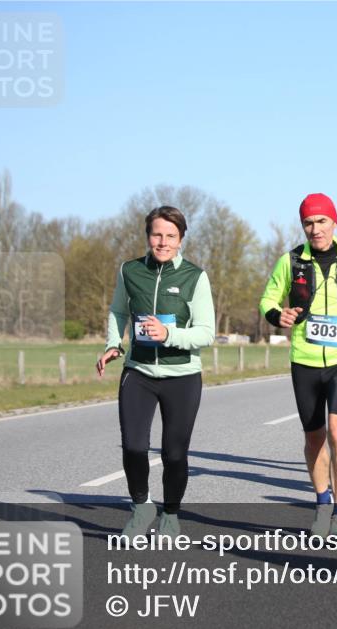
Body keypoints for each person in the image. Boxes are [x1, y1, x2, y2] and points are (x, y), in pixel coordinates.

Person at [259, 193, 337, 543]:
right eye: (308, 223)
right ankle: (322, 504)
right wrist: (277, 315)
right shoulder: (291, 261)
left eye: (321, 221)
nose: (315, 229)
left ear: (334, 222)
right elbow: (268, 299)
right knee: (314, 436)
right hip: (305, 358)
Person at [97, 205, 216, 538]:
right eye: (157, 234)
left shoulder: (195, 276)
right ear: (148, 235)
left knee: (174, 454)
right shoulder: (130, 271)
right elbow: (118, 311)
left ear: (180, 239)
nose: (163, 242)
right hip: (138, 372)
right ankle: (141, 506)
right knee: (134, 446)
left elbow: (206, 332)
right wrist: (112, 344)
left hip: (182, 376)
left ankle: (171, 515)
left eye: (170, 236)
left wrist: (170, 335)